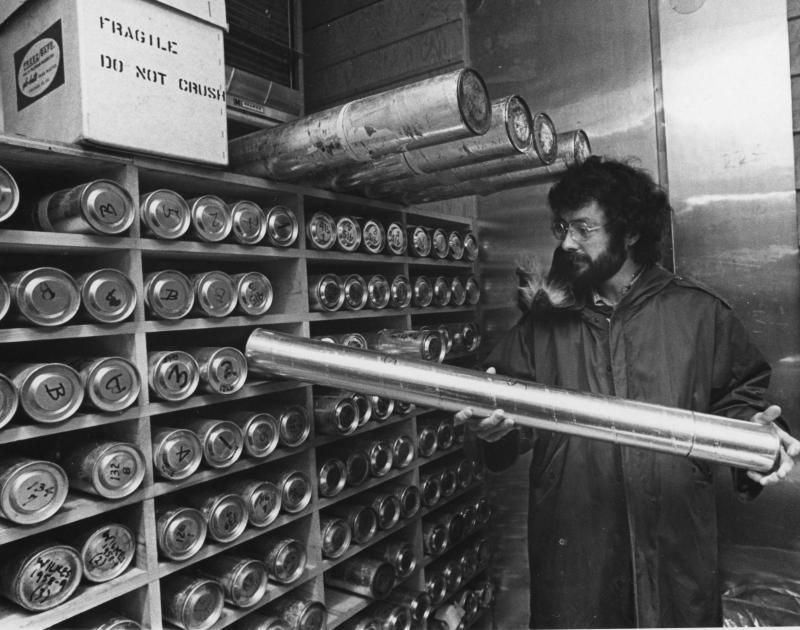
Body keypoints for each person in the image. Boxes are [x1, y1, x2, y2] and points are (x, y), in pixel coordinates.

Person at [456, 156, 800, 628]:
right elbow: (505, 407)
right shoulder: (546, 320)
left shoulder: (699, 314)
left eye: (583, 228)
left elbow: (741, 401)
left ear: (630, 232)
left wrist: (762, 437)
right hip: (576, 546)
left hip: (671, 547)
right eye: (562, 227)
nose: (567, 242)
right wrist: (492, 431)